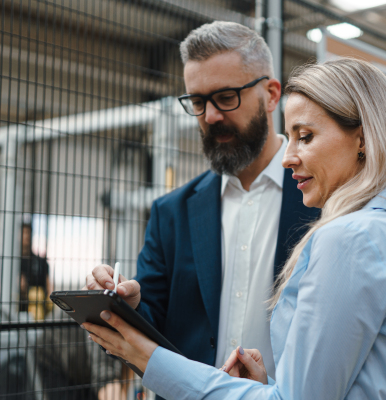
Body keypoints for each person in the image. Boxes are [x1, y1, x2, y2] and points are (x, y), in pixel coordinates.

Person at [84, 58, 386, 399]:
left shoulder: (350, 238)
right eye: (197, 103)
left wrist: (153, 362)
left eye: (306, 136)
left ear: (362, 137)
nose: (289, 156)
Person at [83, 20, 319, 381]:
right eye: (197, 101)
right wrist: (126, 305)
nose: (210, 116)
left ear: (272, 95)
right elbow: (150, 328)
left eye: (226, 98)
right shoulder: (171, 213)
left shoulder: (321, 198)